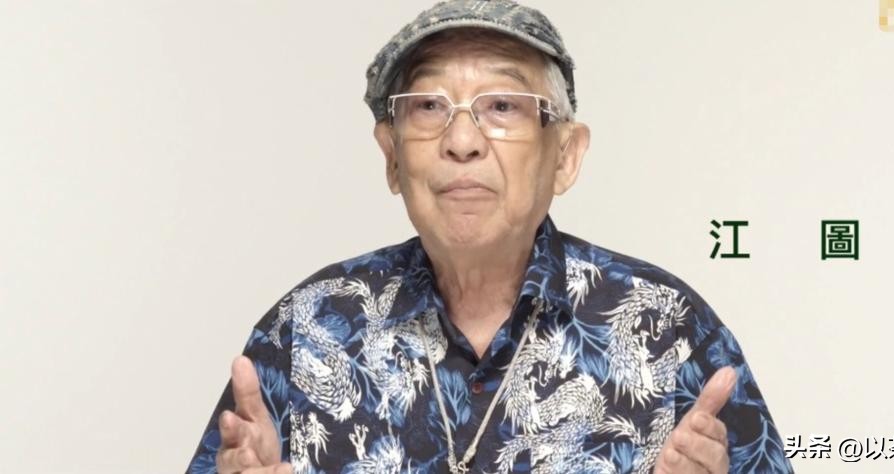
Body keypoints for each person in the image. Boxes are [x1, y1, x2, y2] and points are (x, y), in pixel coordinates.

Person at [186, 1, 793, 473]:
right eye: (428, 106)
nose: (462, 140)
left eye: (503, 105)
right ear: (392, 157)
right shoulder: (309, 328)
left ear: (565, 156)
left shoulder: (668, 328)